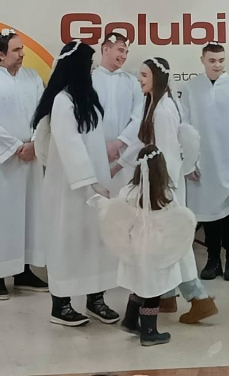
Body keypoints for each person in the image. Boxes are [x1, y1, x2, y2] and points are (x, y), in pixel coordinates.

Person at [31, 40, 119, 327]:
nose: (92, 70)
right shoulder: (62, 101)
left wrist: (99, 179)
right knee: (67, 243)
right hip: (68, 189)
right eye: (89, 66)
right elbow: (70, 146)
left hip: (94, 185)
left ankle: (96, 299)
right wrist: (89, 182)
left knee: (95, 243)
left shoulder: (87, 98)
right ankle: (61, 305)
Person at [139, 57, 217, 324]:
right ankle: (167, 296)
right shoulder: (158, 105)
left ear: (157, 78)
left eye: (144, 75)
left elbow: (166, 154)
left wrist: (160, 189)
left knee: (175, 243)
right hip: (165, 184)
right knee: (165, 243)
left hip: (165, 186)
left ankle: (199, 298)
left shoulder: (162, 111)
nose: (140, 79)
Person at [0, 29, 48, 300]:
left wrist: (35, 143)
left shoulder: (32, 77)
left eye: (21, 49)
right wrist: (16, 147)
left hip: (31, 157)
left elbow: (43, 113)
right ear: (1, 54)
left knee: (30, 213)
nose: (22, 54)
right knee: (2, 216)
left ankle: (24, 271)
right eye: (16, 50)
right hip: (2, 163)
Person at [98, 145, 196, 347]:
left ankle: (130, 320)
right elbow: (175, 218)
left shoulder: (128, 191)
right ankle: (149, 332)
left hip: (134, 246)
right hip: (156, 249)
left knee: (138, 283)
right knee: (153, 291)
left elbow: (119, 213)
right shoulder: (166, 194)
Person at [183, 42, 229, 281]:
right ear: (202, 60)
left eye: (221, 60)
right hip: (203, 163)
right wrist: (188, 163)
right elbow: (184, 128)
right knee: (208, 213)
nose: (217, 65)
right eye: (212, 61)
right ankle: (213, 259)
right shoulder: (191, 88)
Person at [91, 32, 144, 195]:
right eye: (120, 50)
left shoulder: (132, 82)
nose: (124, 56)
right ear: (105, 49)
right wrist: (101, 146)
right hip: (93, 153)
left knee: (124, 202)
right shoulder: (88, 80)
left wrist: (118, 143)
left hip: (124, 155)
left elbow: (139, 117)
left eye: (126, 52)